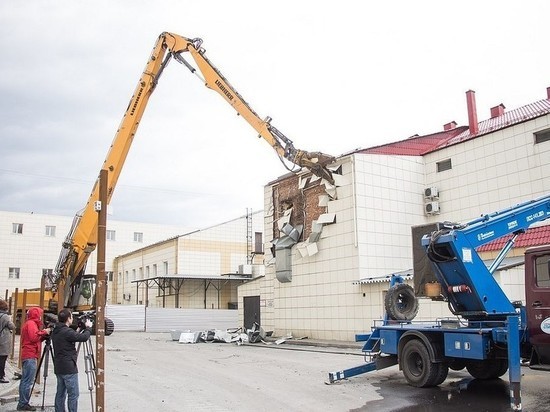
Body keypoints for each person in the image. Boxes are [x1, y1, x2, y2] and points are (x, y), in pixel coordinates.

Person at [51, 309, 92, 412]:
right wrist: (88, 328)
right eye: (71, 317)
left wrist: (79, 329)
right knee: (73, 394)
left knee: (60, 393)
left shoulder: (56, 330)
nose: (72, 319)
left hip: (59, 366)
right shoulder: (66, 332)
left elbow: (71, 337)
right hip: (68, 367)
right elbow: (83, 338)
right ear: (68, 318)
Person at [17, 307, 51, 411]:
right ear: (36, 315)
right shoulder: (31, 324)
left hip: (29, 354)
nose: (41, 317)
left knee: (26, 380)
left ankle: (23, 402)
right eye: (40, 314)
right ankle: (23, 404)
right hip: (30, 355)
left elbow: (33, 340)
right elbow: (33, 337)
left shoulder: (29, 323)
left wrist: (42, 337)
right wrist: (44, 332)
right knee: (27, 380)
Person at [0, 299, 16, 383]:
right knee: (2, 358)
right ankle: (1, 376)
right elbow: (12, 326)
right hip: (3, 340)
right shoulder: (5, 317)